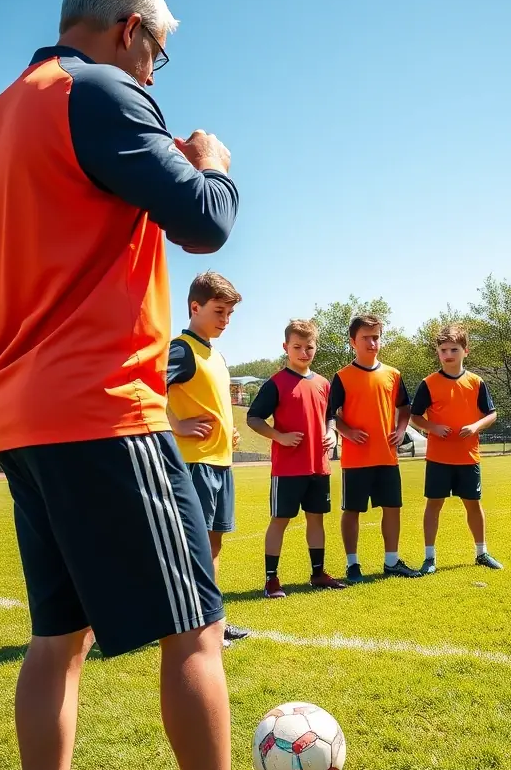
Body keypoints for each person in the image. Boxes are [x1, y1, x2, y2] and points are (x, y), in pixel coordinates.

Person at [0, 0, 325, 770]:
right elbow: (206, 223)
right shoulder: (98, 93)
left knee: (58, 637)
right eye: (159, 55)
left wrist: (15, 338)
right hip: (105, 410)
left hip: (22, 416)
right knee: (196, 632)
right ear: (131, 30)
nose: (154, 74)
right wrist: (211, 158)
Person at [167, 271, 250, 646]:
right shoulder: (181, 349)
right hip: (193, 465)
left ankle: (212, 621)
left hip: (221, 464)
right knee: (193, 547)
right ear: (194, 307)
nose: (225, 320)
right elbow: (148, 389)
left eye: (230, 314)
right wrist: (177, 425)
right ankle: (191, 624)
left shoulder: (216, 354)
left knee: (214, 545)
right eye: (219, 311)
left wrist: (228, 430)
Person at [247, 320, 344, 597]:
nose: (304, 352)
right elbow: (253, 418)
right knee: (280, 521)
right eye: (297, 347)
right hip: (288, 469)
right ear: (285, 347)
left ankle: (318, 574)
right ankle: (271, 580)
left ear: (316, 347)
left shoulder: (324, 384)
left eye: (309, 347)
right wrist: (279, 436)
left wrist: (331, 433)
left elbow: (330, 417)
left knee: (317, 520)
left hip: (318, 466)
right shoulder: (276, 383)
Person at [328, 315, 420, 582]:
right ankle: (352, 565)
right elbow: (331, 415)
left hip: (387, 458)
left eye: (376, 337)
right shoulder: (342, 377)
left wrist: (401, 430)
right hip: (356, 460)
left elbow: (405, 408)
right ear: (352, 342)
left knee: (392, 508)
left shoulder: (393, 375)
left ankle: (392, 562)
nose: (372, 342)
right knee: (352, 511)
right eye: (366, 338)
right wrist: (346, 431)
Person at [409, 323, 503, 575]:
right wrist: (432, 428)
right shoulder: (428, 384)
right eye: (443, 350)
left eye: (453, 349)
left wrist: (475, 426)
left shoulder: (476, 382)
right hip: (438, 458)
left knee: (473, 504)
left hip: (468, 457)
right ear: (437, 352)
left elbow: (491, 414)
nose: (448, 354)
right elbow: (414, 416)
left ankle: (482, 553)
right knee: (433, 505)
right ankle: (429, 558)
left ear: (465, 351)